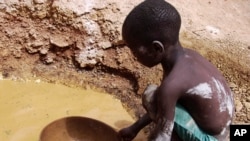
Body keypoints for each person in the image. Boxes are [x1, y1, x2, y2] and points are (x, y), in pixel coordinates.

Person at [118, 0, 234, 140]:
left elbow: (163, 136)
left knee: (151, 97)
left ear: (156, 48)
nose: (134, 56)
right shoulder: (188, 57)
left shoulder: (172, 85)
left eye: (135, 51)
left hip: (211, 138)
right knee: (157, 97)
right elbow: (163, 104)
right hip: (225, 128)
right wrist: (133, 129)